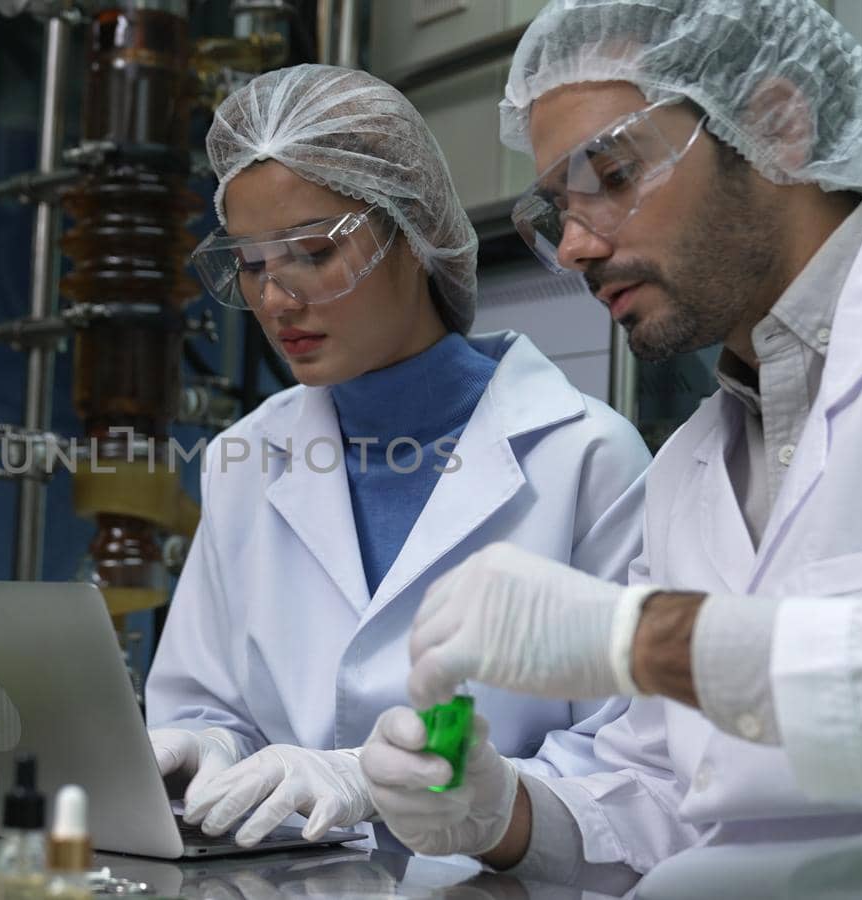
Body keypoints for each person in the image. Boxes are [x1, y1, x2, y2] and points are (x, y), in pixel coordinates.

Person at [360, 0, 862, 894]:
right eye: (557, 205)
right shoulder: (690, 468)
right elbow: (676, 794)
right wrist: (502, 814)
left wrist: (653, 640)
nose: (577, 245)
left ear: (778, 128)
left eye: (612, 172)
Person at [144, 64, 651, 850]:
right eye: (250, 264)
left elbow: (626, 773)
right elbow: (209, 706)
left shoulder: (586, 457)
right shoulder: (246, 457)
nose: (277, 300)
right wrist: (203, 746)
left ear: (412, 234)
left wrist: (398, 788)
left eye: (310, 251)